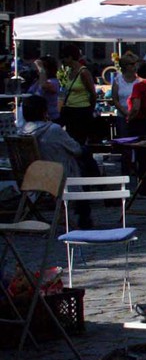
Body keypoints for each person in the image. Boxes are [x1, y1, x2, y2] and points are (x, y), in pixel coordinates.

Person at [21, 94, 94, 229]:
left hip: (31, 175)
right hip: (56, 174)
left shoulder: (23, 131)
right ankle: (85, 213)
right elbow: (76, 149)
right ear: (44, 111)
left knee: (83, 161)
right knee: (85, 158)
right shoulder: (53, 129)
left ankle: (68, 213)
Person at [59, 47, 97, 145]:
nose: (63, 60)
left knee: (79, 139)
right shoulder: (69, 71)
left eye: (64, 57)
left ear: (70, 57)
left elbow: (92, 93)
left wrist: (90, 110)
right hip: (70, 109)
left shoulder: (83, 72)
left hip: (81, 110)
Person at [28, 56, 60, 123]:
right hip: (36, 117)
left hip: (50, 118)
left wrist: (41, 70)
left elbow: (43, 86)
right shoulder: (37, 81)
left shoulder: (53, 82)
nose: (37, 70)